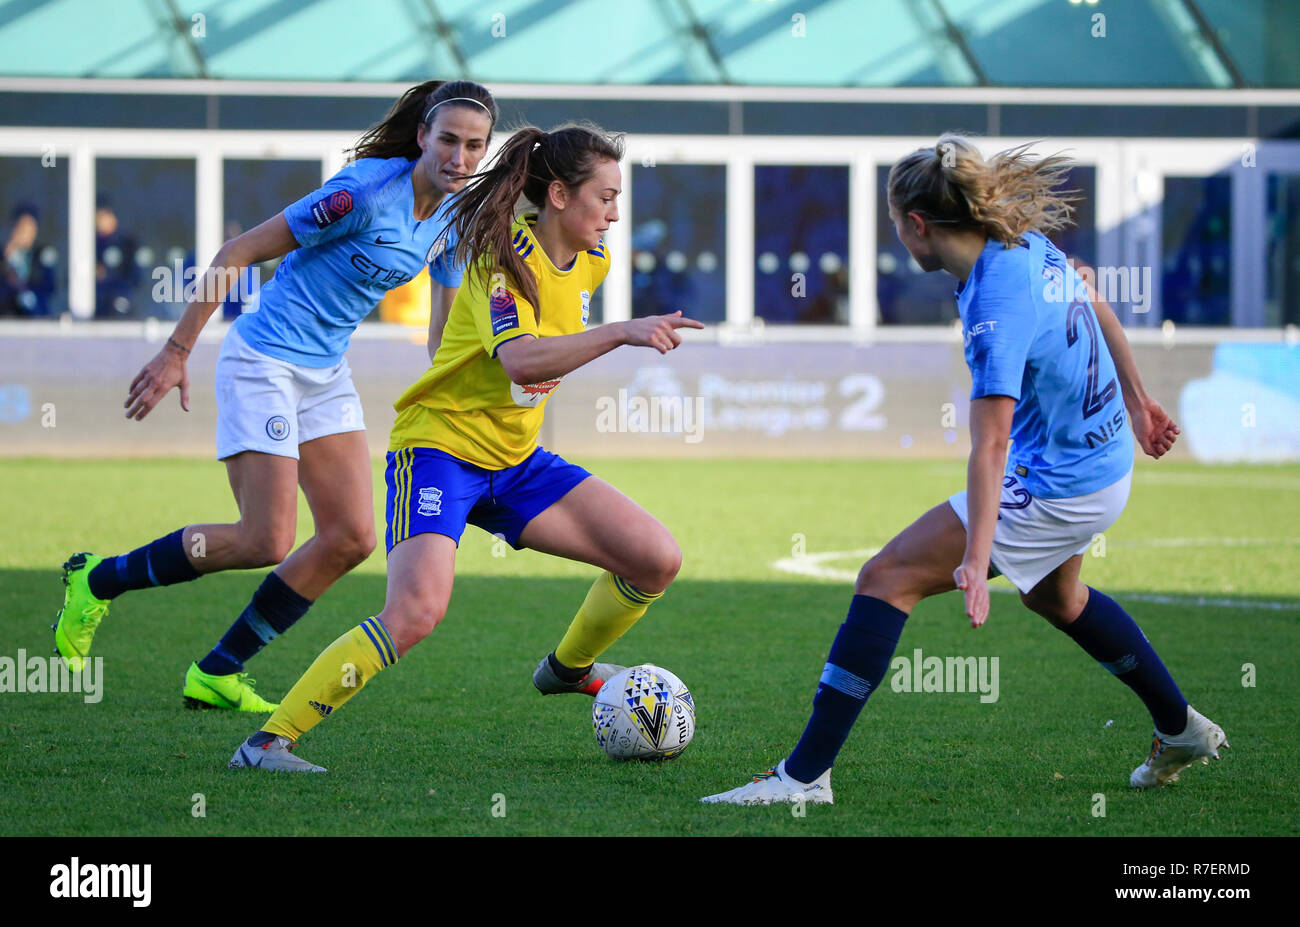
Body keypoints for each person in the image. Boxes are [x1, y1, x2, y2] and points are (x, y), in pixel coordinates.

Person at [702, 133, 1227, 806]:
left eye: (896, 227)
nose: (899, 240)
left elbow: (990, 443)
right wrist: (1139, 398)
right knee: (1057, 597)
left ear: (919, 223)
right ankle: (1178, 726)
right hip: (1101, 465)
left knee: (886, 577)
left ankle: (802, 778)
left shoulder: (993, 302)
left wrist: (976, 561)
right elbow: (1092, 297)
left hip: (1062, 480)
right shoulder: (1022, 243)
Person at [229, 122, 704, 771]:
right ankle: (265, 742)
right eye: (606, 196)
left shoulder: (594, 259)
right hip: (439, 453)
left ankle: (566, 670)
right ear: (560, 195)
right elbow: (521, 362)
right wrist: (622, 331)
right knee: (416, 611)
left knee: (655, 557)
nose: (616, 214)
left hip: (516, 461)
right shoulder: (500, 258)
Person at [54, 80, 498, 713]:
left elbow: (442, 334)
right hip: (263, 360)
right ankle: (95, 579)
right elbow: (239, 252)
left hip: (325, 373)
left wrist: (468, 394)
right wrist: (177, 352)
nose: (459, 156)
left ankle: (217, 671)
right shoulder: (362, 193)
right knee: (265, 539)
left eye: (473, 145)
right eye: (448, 139)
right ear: (423, 136)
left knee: (350, 537)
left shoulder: (458, 217)